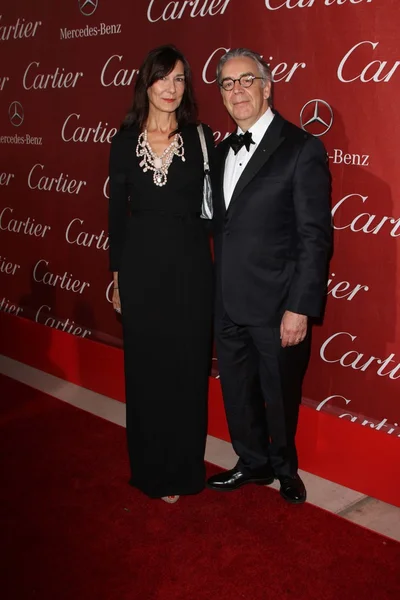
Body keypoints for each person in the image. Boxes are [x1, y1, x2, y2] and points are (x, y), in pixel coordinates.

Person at [207, 48, 332, 503]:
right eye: (227, 83)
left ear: (267, 86)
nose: (237, 91)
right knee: (238, 392)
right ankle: (252, 463)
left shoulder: (301, 148)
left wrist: (300, 306)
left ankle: (285, 468)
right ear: (220, 94)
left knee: (279, 397)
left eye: (245, 80)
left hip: (278, 303)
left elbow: (314, 237)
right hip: (227, 301)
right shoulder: (219, 154)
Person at [108, 45, 214, 504]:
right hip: (141, 271)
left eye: (179, 80)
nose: (170, 89)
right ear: (146, 82)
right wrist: (116, 276)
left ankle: (184, 470)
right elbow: (117, 214)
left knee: (187, 372)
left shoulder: (201, 138)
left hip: (191, 271)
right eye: (162, 78)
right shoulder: (122, 139)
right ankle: (151, 470)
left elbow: (216, 213)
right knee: (146, 372)